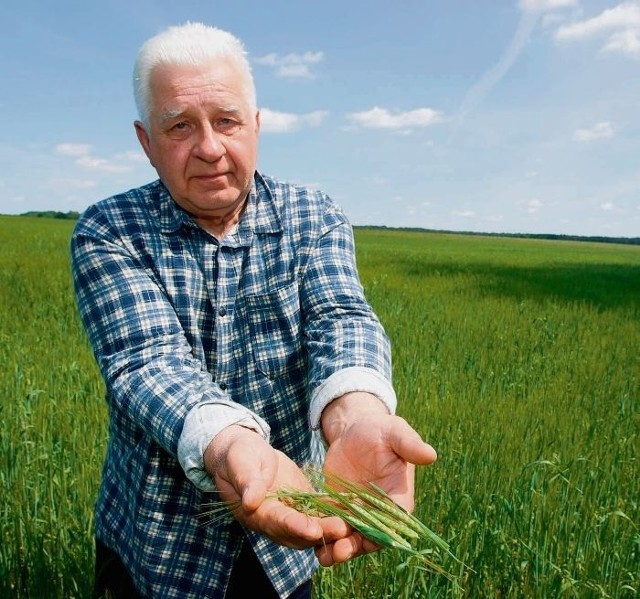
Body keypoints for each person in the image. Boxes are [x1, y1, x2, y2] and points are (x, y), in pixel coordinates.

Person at [71, 22, 437, 599]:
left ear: (257, 125)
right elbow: (147, 362)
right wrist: (231, 444)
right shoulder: (111, 231)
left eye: (227, 121)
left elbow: (341, 316)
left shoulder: (313, 215)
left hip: (287, 548)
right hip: (157, 552)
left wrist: (356, 416)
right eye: (180, 126)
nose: (210, 147)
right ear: (146, 142)